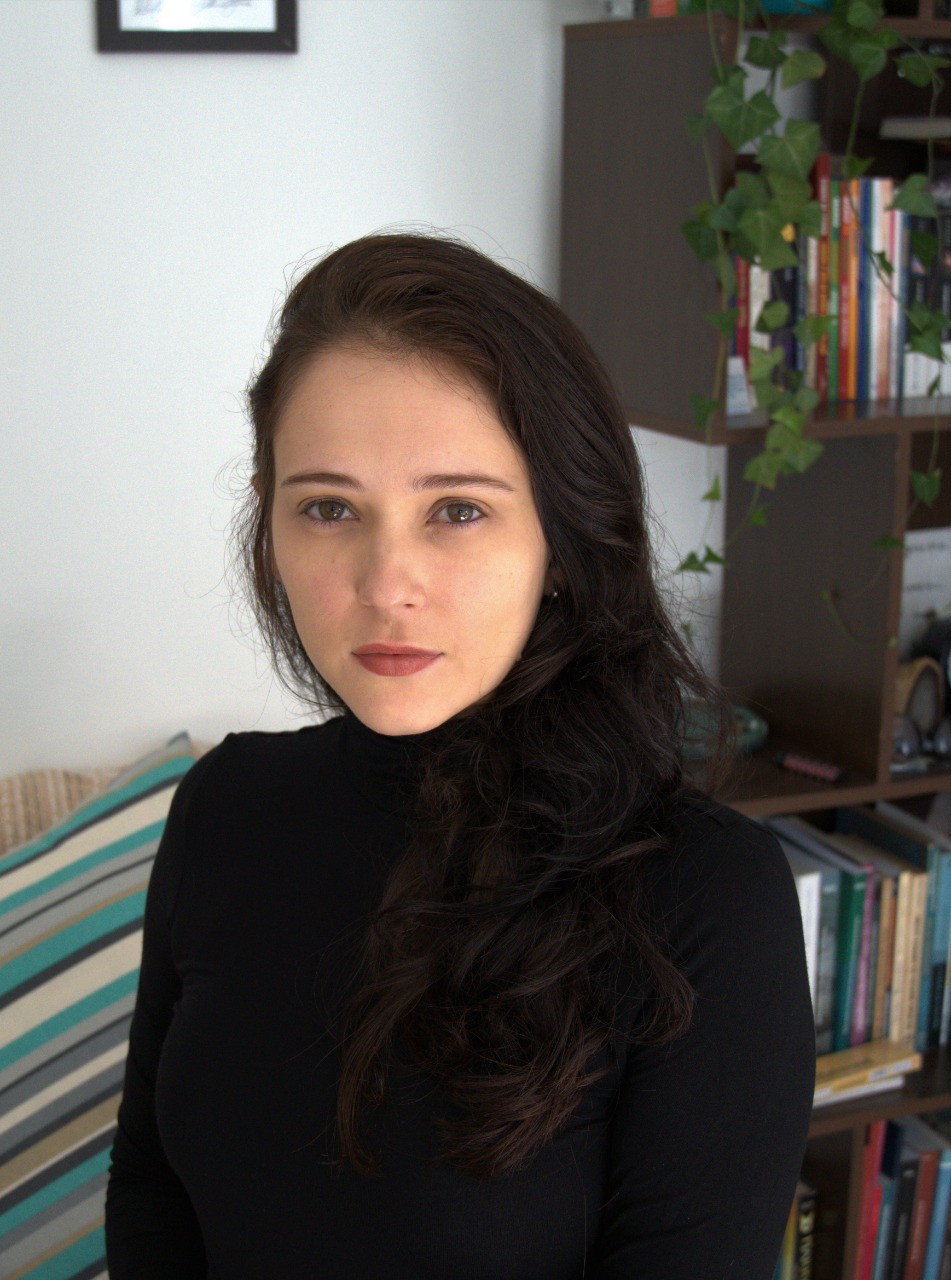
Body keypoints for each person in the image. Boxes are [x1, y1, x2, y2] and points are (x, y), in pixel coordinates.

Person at [105, 232, 816, 1279]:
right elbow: (149, 1188)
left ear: (562, 540)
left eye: (458, 510)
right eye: (329, 508)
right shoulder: (225, 804)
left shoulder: (704, 895)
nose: (386, 582)